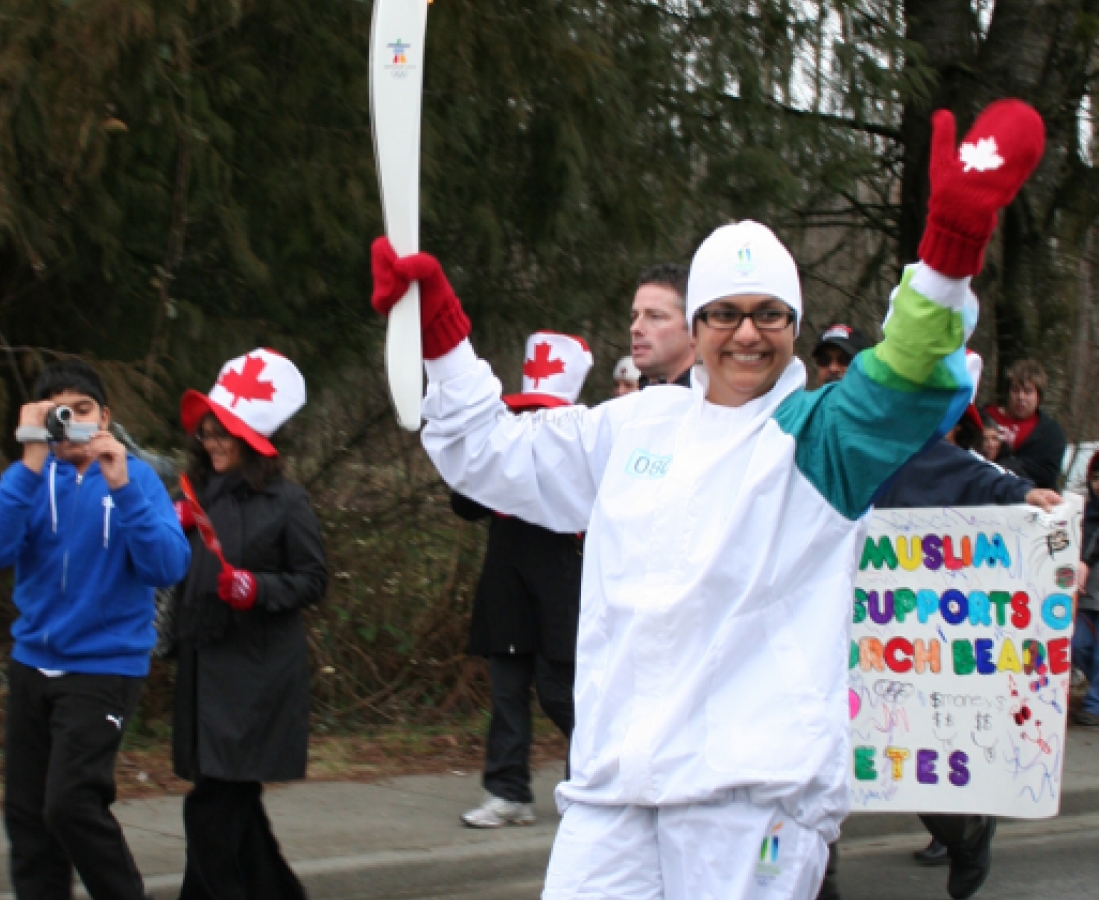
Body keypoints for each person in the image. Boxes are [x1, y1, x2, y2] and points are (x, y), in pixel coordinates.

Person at [368, 99, 1043, 899]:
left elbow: (901, 377)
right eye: (725, 313)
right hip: (614, 791)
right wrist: (442, 336)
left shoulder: (818, 435)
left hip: (752, 799)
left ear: (793, 326)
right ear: (698, 325)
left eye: (769, 315)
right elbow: (490, 457)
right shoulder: (636, 427)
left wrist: (946, 256)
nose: (747, 334)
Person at [817, 353, 1062, 900]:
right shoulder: (825, 448)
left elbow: (1000, 490)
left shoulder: (931, 459)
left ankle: (967, 831)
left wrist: (1047, 530)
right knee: (822, 773)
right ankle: (817, 884)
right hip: (829, 646)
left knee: (923, 769)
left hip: (920, 653)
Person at [0, 360, 190, 900]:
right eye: (57, 413)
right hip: (32, 663)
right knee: (27, 817)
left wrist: (123, 486)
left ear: (105, 416)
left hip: (104, 667)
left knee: (70, 803)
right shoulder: (30, 478)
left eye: (82, 410)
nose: (71, 423)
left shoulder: (136, 478)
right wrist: (28, 459)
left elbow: (168, 566)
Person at [171, 349, 327, 900]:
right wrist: (172, 531)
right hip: (202, 664)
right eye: (207, 432)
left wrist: (257, 588)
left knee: (214, 806)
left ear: (251, 442)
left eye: (223, 434)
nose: (212, 442)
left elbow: (312, 580)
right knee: (232, 804)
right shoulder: (192, 496)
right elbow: (171, 574)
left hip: (256, 676)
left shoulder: (286, 501)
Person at [454, 332, 591, 829]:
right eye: (527, 409)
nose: (535, 418)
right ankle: (507, 792)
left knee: (562, 693)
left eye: (545, 409)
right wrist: (482, 467)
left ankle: (593, 782)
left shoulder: (586, 445)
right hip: (507, 586)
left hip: (562, 587)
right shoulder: (503, 445)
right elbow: (464, 504)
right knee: (507, 695)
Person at [982, 359, 1066, 488]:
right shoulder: (986, 416)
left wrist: (1006, 466)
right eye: (1016, 390)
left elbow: (1046, 474)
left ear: (1039, 396)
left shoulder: (1050, 433)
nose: (1021, 397)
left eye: (1028, 391)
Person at [630, 263, 695, 387]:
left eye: (655, 316)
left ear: (694, 328)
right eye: (634, 317)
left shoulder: (715, 402)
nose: (635, 328)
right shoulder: (632, 403)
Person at [1071, 451, 1099, 727]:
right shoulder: (1082, 511)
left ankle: (1094, 706)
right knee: (1076, 642)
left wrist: (1086, 560)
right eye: (1097, 477)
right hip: (1083, 593)